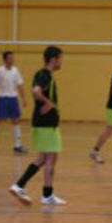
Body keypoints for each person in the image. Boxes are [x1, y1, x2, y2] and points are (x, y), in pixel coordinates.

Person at [9, 46, 66, 206]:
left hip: (44, 123)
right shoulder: (45, 75)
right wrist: (48, 103)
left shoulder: (42, 74)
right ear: (54, 59)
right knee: (51, 157)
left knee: (44, 158)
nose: (62, 62)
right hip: (46, 123)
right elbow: (36, 91)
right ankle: (34, 191)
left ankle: (27, 188)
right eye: (61, 58)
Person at [0, 51, 28, 154]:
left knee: (16, 120)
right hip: (2, 98)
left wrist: (23, 98)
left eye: (12, 58)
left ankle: (17, 146)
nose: (12, 60)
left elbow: (20, 85)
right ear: (5, 59)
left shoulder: (15, 70)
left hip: (13, 99)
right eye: (9, 58)